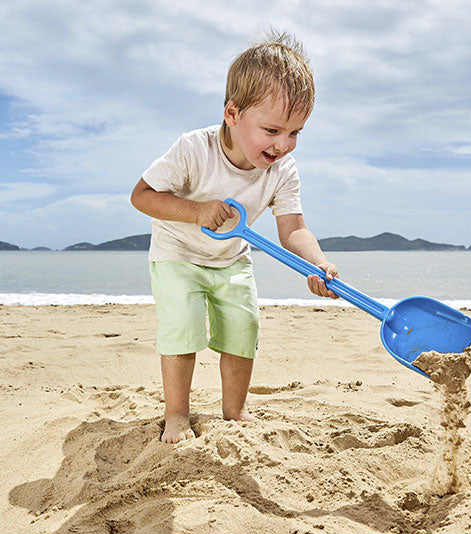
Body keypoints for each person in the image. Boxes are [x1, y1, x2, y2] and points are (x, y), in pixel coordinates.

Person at [131, 31, 338, 443]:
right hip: (178, 253)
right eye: (272, 130)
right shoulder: (194, 148)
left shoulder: (282, 170)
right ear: (232, 113)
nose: (283, 144)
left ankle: (235, 410)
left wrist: (316, 261)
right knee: (182, 327)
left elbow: (293, 227)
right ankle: (176, 414)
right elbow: (142, 196)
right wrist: (196, 211)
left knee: (243, 326)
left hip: (231, 257)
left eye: (295, 132)